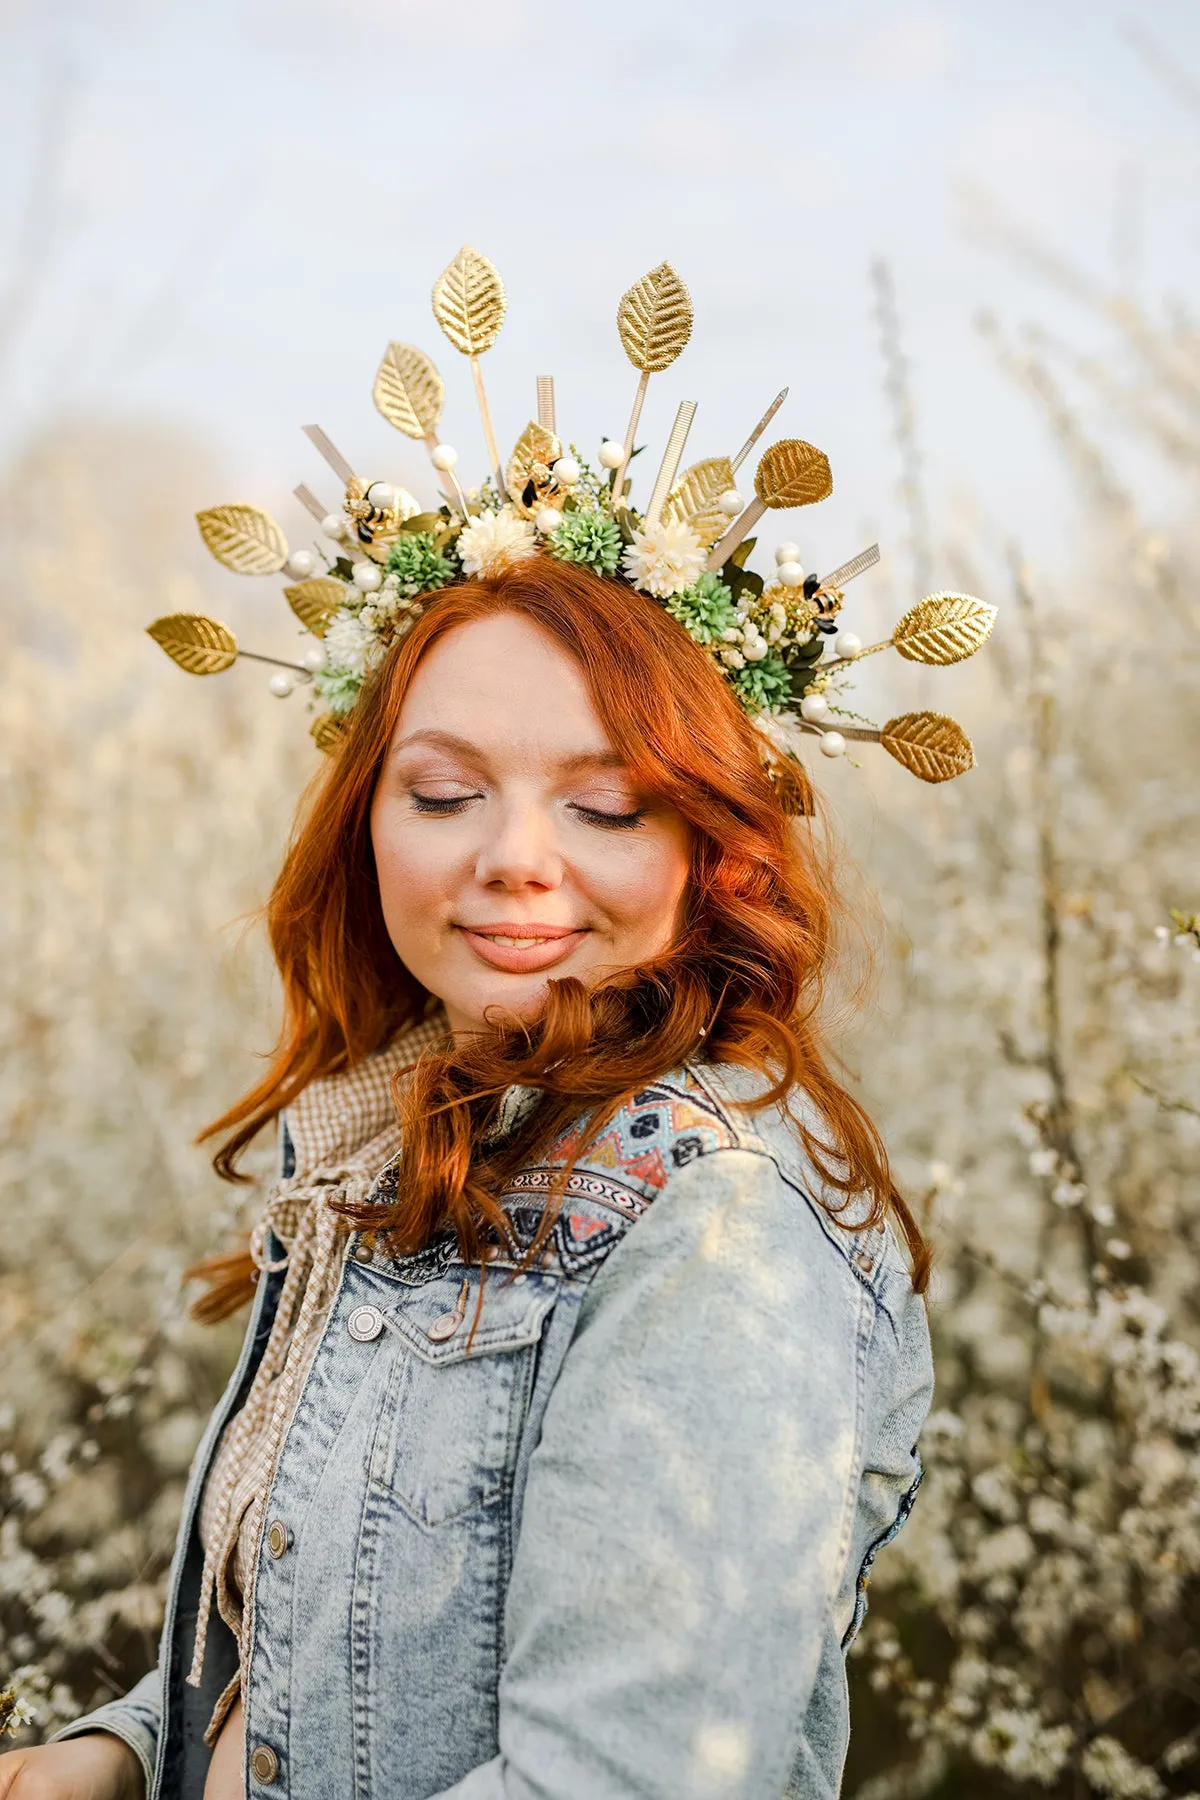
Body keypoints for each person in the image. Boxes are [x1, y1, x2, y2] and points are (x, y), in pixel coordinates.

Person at [2, 250, 990, 1799]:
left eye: (602, 803)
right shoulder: (427, 1131)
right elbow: (359, 1616)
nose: (512, 855)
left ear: (704, 852)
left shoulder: (708, 1227)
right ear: (367, 825)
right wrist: (125, 1754)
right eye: (446, 792)